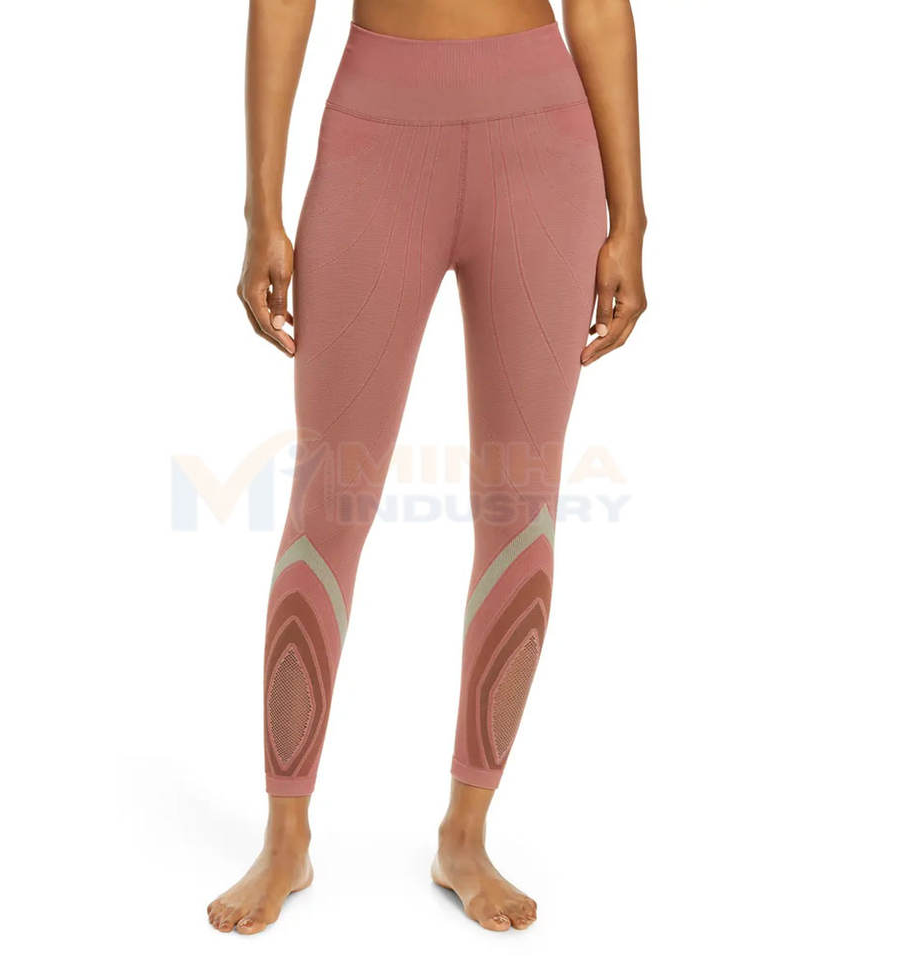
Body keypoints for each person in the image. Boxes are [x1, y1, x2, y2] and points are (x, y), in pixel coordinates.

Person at [207, 0, 647, 934]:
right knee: (331, 499)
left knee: (521, 504)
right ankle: (286, 835)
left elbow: (600, 8)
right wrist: (260, 209)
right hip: (376, 135)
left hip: (545, 145)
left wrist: (632, 219)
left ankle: (466, 833)